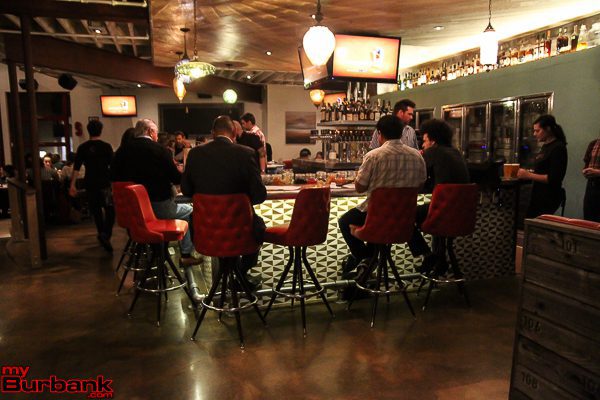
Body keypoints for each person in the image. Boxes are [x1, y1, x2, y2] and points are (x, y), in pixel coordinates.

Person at [181, 115, 267, 288]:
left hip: (206, 231)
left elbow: (186, 190)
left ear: (212, 133)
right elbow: (259, 195)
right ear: (234, 133)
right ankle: (240, 273)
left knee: (228, 236)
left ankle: (229, 275)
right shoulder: (246, 153)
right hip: (240, 231)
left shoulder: (195, 153)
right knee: (259, 226)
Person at [339, 115, 426, 277]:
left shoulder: (374, 156)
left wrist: (359, 176)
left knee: (344, 221)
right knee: (379, 227)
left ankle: (365, 258)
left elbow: (360, 188)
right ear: (402, 132)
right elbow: (420, 185)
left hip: (376, 217)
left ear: (379, 133)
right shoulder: (417, 155)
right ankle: (369, 260)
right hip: (404, 218)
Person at [111, 118, 199, 266]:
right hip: (157, 208)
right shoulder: (160, 150)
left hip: (131, 213)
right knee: (190, 211)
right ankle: (186, 254)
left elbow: (113, 177)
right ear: (150, 132)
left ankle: (158, 252)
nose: (157, 136)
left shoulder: (121, 151)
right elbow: (176, 179)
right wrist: (183, 173)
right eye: (156, 133)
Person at [407, 119, 470, 275]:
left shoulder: (433, 152)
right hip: (462, 215)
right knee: (430, 210)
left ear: (433, 141)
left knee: (404, 215)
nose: (423, 145)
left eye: (425, 141)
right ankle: (440, 260)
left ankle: (427, 255)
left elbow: (416, 178)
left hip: (442, 213)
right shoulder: (456, 152)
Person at [69, 119, 115, 251]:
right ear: (101, 131)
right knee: (110, 210)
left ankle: (101, 234)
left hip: (90, 183)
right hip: (105, 183)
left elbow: (76, 168)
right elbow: (113, 167)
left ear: (88, 131)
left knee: (96, 211)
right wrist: (114, 184)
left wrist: (72, 185)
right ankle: (106, 234)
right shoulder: (106, 146)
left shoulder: (82, 148)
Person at [517, 114, 568, 218]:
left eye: (537, 131)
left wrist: (528, 175)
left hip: (548, 196)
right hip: (537, 194)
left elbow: (554, 178)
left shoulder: (558, 148)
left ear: (548, 129)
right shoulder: (545, 146)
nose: (534, 134)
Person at [582, 136, 600, 222]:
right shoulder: (593, 144)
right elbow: (586, 164)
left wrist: (598, 173)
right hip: (592, 187)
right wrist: (586, 171)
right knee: (589, 220)